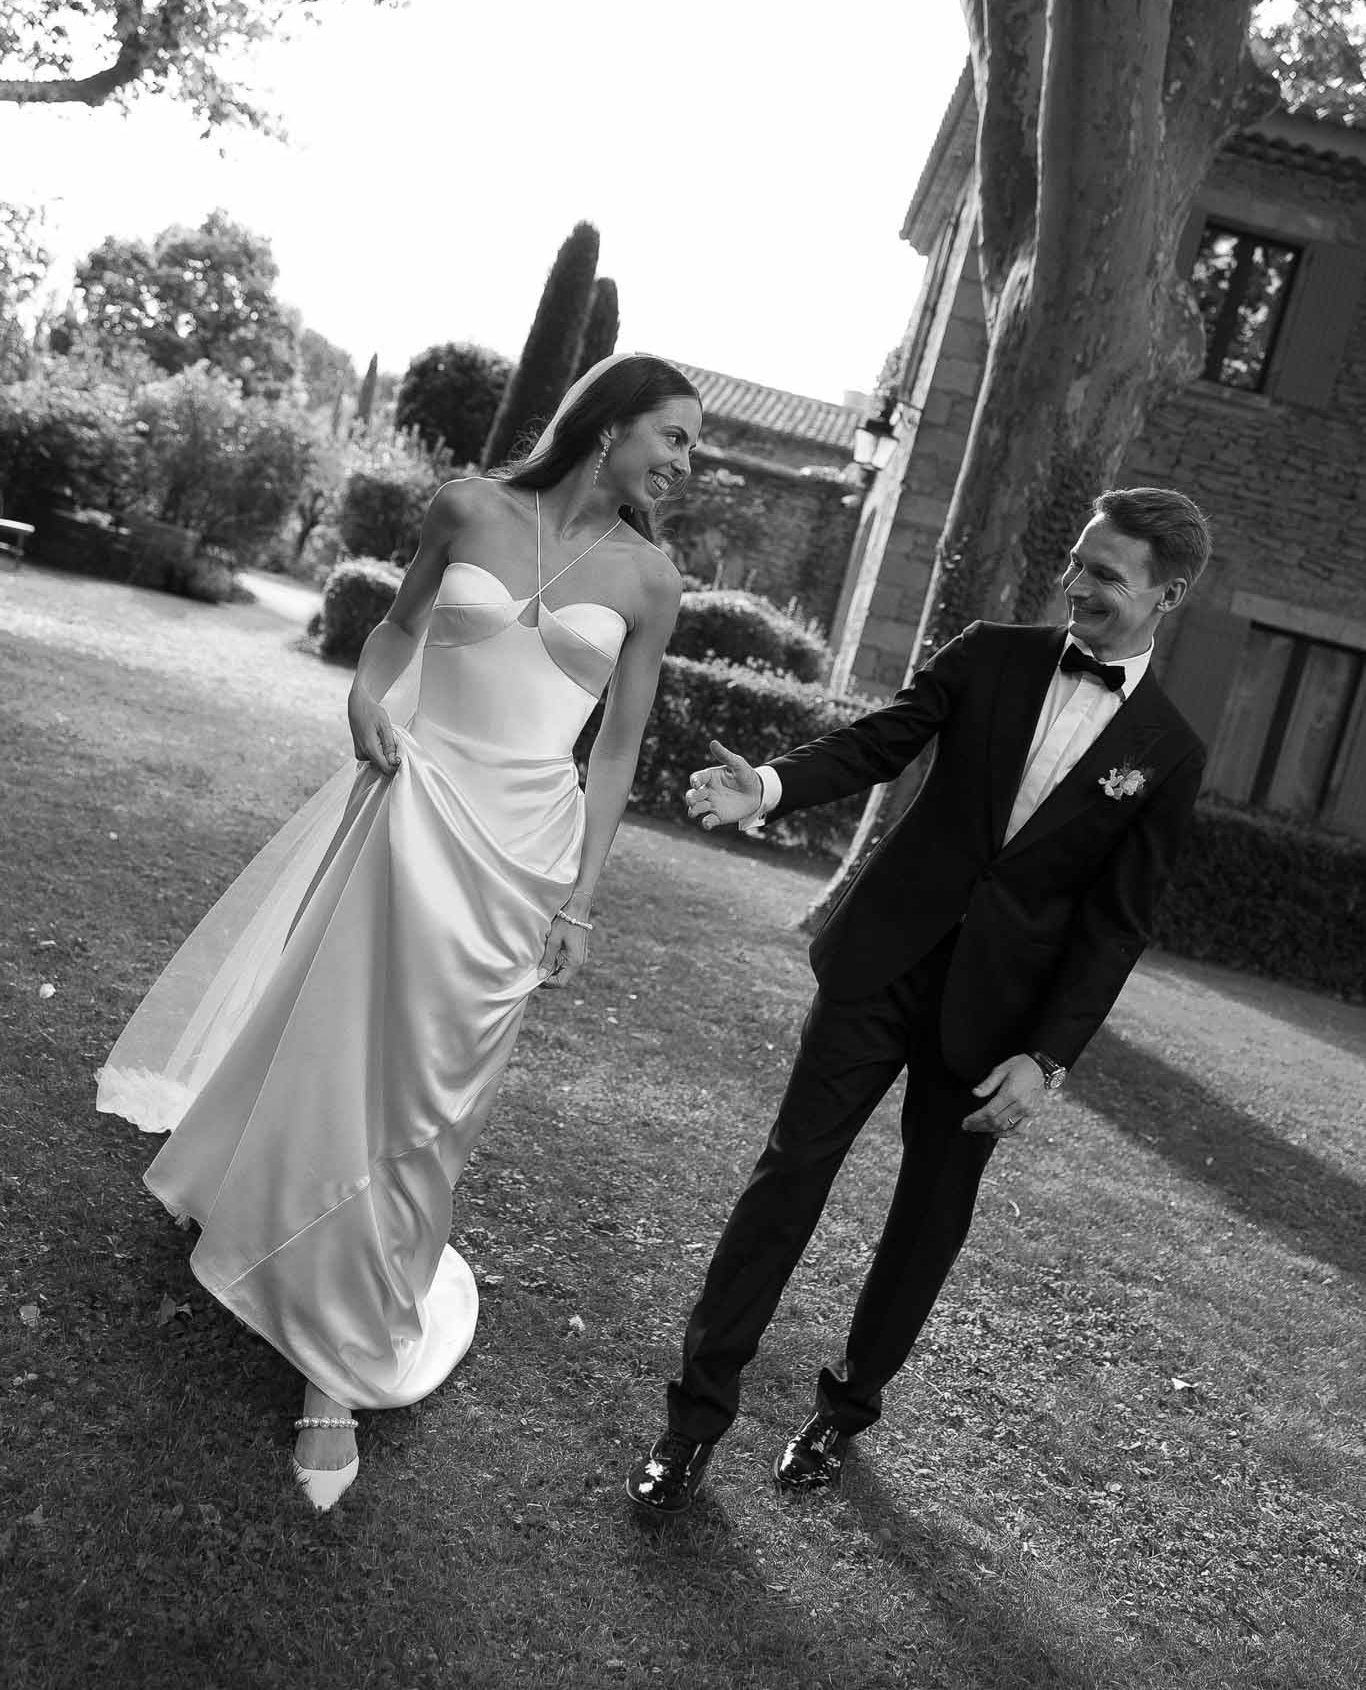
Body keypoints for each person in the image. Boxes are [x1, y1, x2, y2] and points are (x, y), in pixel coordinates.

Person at [98, 352, 702, 1509]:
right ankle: (310, 1324)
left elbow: (614, 747)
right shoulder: (471, 506)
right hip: (413, 808)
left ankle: (353, 1336)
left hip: (520, 856)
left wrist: (581, 895)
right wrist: (365, 696)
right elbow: (396, 628)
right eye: (673, 436)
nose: (684, 463)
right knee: (334, 1041)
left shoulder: (649, 578)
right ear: (612, 422)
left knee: (433, 1106)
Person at [626, 485, 1211, 1515]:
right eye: (1076, 562)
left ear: (1167, 594)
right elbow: (877, 739)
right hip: (880, 963)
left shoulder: (1169, 747)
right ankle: (691, 1424)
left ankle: (844, 1409)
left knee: (925, 1222)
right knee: (787, 1178)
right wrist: (765, 786)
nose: (1075, 585)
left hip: (997, 1017)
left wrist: (1049, 1055)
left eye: (1105, 575)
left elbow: (1115, 922)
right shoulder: (990, 651)